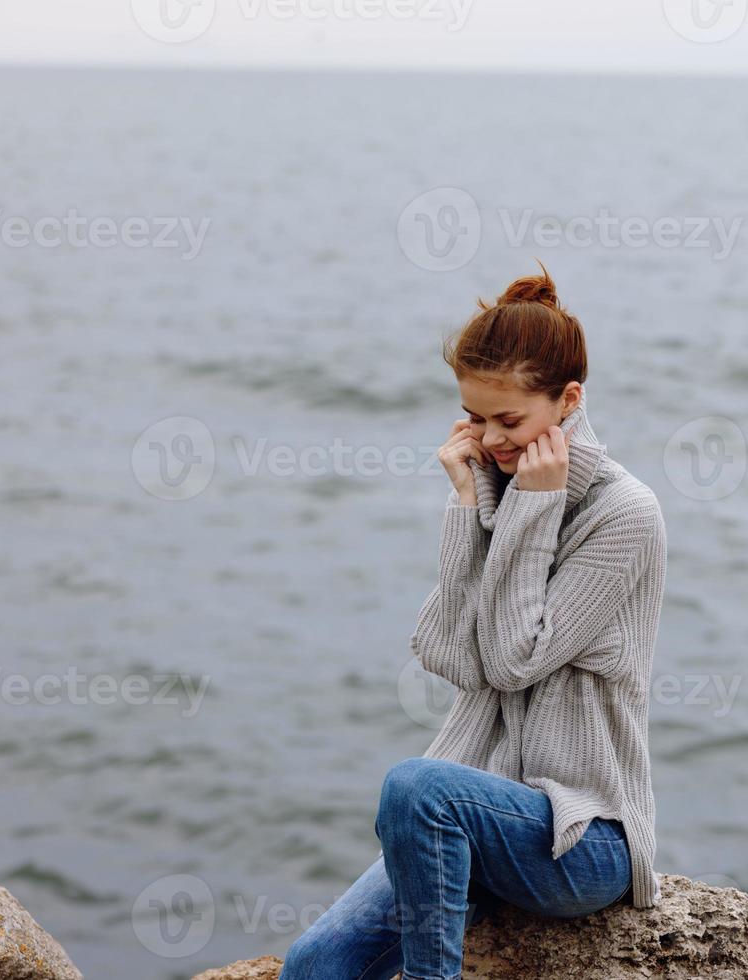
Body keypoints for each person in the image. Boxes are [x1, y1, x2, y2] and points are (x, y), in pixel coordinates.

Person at [281, 259, 667, 980]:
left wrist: (531, 507)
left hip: (582, 837)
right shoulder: (494, 484)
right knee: (312, 968)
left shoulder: (624, 515)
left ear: (569, 401)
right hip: (480, 819)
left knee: (414, 786)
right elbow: (446, 651)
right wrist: (466, 506)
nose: (490, 440)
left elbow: (514, 660)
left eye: (510, 419)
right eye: (476, 416)